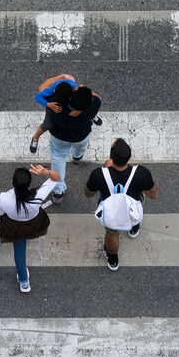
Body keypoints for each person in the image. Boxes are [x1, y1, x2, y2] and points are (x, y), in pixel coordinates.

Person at [83, 138, 157, 271]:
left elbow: (88, 193)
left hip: (110, 214)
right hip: (132, 209)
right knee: (139, 199)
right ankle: (133, 227)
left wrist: (106, 169)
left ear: (111, 157)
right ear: (130, 157)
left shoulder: (99, 174)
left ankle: (113, 259)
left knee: (111, 235)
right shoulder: (141, 172)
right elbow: (153, 194)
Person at [0, 164, 61, 291]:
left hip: (14, 227)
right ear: (30, 184)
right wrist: (46, 172)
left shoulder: (4, 198)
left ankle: (24, 282)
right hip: (34, 224)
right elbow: (56, 178)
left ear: (12, 182)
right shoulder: (38, 195)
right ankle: (23, 281)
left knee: (19, 250)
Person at [47, 84, 102, 204]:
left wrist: (75, 90)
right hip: (80, 135)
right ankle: (77, 157)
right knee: (81, 147)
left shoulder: (56, 106)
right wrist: (85, 92)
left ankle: (58, 192)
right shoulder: (93, 105)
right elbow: (96, 97)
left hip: (59, 137)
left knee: (58, 159)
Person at [29, 74, 102, 154]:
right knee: (48, 124)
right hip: (78, 113)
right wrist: (49, 104)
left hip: (77, 110)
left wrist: (62, 76)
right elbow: (96, 98)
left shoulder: (58, 102)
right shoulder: (55, 102)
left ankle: (35, 138)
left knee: (47, 124)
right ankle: (35, 138)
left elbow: (41, 89)